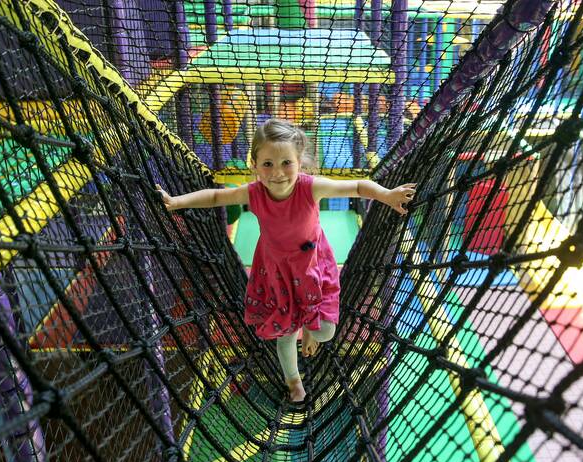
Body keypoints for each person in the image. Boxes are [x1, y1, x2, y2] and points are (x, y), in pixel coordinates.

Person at [156, 118, 416, 402]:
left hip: (312, 267)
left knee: (326, 331)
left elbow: (358, 187)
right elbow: (217, 196)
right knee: (285, 333)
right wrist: (177, 202)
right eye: (267, 164)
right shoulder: (254, 193)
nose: (277, 173)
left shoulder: (310, 188)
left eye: (286, 163)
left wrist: (387, 195)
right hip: (276, 271)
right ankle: (294, 381)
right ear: (253, 164)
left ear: (300, 162)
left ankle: (311, 330)